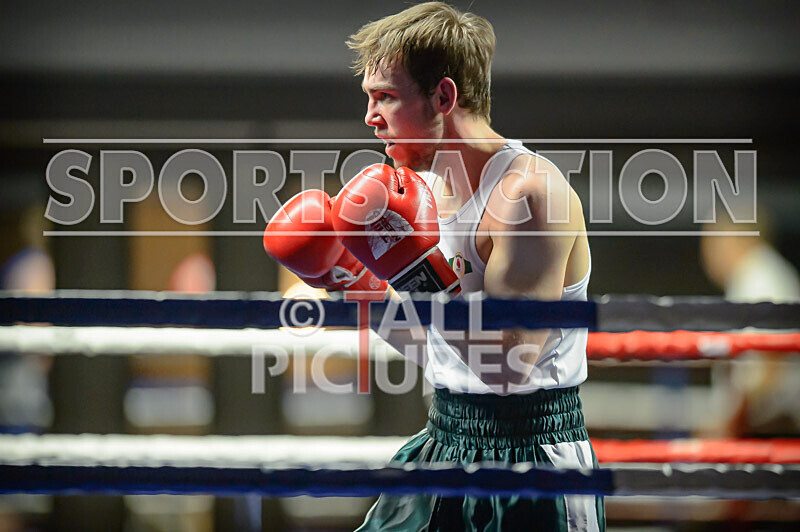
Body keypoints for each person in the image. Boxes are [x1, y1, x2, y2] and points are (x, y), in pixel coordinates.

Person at [264, 2, 602, 529]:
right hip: (444, 435)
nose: (370, 118)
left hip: (531, 458)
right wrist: (350, 282)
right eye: (369, 99)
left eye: (386, 98)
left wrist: (415, 273)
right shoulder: (421, 192)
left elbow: (507, 369)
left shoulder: (531, 196)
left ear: (443, 97)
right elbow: (433, 347)